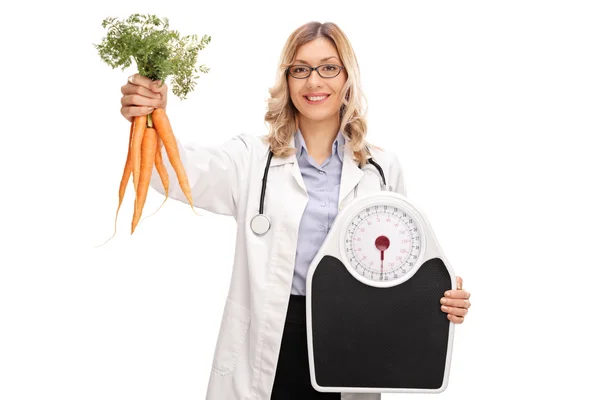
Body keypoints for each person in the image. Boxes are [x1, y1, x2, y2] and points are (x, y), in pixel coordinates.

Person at [119, 21, 472, 400]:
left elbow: (401, 263)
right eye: (300, 69)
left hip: (351, 339)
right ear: (287, 81)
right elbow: (171, 172)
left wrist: (440, 298)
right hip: (268, 346)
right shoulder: (251, 159)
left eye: (328, 67)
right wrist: (151, 117)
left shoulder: (382, 169)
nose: (314, 81)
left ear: (347, 78)